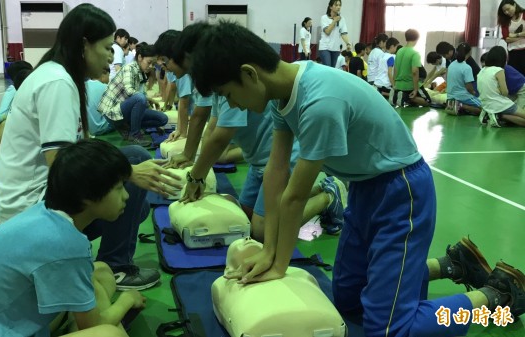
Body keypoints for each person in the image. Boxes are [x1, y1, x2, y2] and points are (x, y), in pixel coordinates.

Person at [188, 20, 525, 337]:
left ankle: (495, 294)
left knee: (390, 328)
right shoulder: (281, 94)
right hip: (364, 188)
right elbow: (276, 174)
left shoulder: (320, 101)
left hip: (402, 192)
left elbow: (293, 196)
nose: (232, 104)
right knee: (348, 299)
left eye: (228, 94)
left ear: (249, 74)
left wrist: (278, 264)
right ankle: (451, 265)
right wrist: (269, 251)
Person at [0, 4, 180, 290]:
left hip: (37, 198)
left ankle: (109, 258)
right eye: (106, 47)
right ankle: (116, 267)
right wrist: (128, 173)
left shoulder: (61, 77)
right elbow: (63, 167)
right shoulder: (57, 83)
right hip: (31, 210)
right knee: (130, 172)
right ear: (84, 45)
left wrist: (127, 170)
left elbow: (83, 148)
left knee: (134, 194)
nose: (110, 56)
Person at [0, 139, 146, 337]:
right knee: (109, 333)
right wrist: (128, 300)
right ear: (88, 197)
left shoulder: (45, 213)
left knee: (101, 272)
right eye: (119, 188)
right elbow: (93, 327)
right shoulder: (65, 243)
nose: (126, 196)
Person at [181, 97, 346, 240]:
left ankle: (328, 197)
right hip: (259, 162)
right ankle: (319, 189)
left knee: (262, 232)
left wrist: (197, 176)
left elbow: (219, 138)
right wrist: (199, 169)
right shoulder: (219, 91)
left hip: (280, 159)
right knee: (245, 217)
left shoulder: (229, 89)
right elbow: (212, 128)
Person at [153, 26, 214, 168]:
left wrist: (197, 172)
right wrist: (188, 154)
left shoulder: (208, 76)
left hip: (259, 155)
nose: (164, 66)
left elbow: (196, 113)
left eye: (165, 60)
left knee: (221, 156)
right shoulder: (197, 76)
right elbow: (204, 118)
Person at [98, 44, 167, 146]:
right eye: (149, 63)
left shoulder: (141, 73)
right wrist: (148, 99)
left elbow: (140, 100)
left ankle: (129, 128)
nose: (151, 66)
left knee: (162, 119)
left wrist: (149, 105)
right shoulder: (129, 68)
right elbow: (131, 91)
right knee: (140, 98)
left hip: (124, 109)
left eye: (153, 64)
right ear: (139, 57)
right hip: (112, 112)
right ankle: (135, 135)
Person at [477, 46, 525, 127]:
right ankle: (499, 116)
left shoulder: (482, 71)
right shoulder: (499, 70)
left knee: (513, 115)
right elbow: (505, 93)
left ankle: (497, 115)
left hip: (488, 104)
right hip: (502, 100)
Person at [392, 29, 431, 107]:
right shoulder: (415, 53)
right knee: (428, 101)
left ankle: (400, 96)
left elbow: (395, 69)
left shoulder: (399, 51)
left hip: (398, 85)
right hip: (410, 85)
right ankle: (406, 98)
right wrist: (416, 89)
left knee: (414, 104)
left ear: (406, 38)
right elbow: (415, 72)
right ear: (417, 38)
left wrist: (394, 84)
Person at [446, 43, 481, 116]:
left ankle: (456, 105)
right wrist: (473, 93)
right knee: (486, 108)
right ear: (470, 52)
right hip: (462, 96)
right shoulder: (466, 67)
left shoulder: (451, 64)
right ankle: (460, 105)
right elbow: (469, 87)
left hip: (450, 96)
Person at [318, 0, 351, 67]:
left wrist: (347, 43)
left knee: (332, 69)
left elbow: (343, 33)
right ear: (330, 7)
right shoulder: (324, 18)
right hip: (325, 48)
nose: (338, 7)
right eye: (336, 5)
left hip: (336, 49)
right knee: (328, 68)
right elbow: (327, 32)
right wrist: (334, 20)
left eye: (339, 5)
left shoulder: (342, 19)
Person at [498, 0, 525, 75]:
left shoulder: (524, 14)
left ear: (514, 5)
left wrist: (515, 35)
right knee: (515, 76)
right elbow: (507, 39)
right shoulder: (505, 20)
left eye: (508, 9)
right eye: (504, 11)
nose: (507, 12)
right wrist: (523, 36)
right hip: (513, 52)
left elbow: (510, 37)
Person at [86, 70, 114, 136]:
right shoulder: (105, 87)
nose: (109, 79)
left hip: (87, 129)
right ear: (103, 74)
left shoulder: (84, 85)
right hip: (102, 128)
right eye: (108, 76)